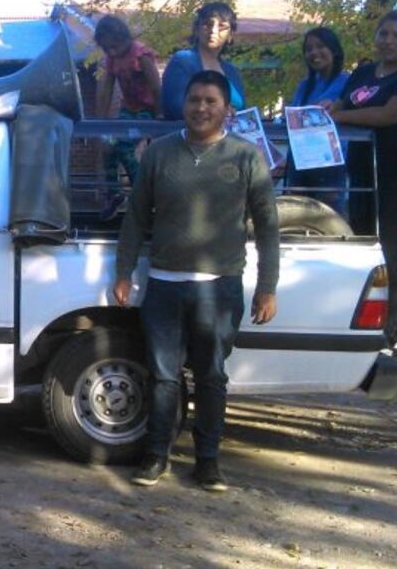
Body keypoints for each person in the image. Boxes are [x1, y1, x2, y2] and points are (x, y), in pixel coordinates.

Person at [114, 70, 279, 492]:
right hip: (164, 284)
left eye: (210, 101)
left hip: (220, 287)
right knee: (164, 376)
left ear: (227, 109)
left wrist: (267, 287)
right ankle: (156, 455)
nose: (201, 108)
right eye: (194, 100)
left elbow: (267, 226)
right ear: (183, 105)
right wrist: (124, 271)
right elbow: (135, 216)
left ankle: (208, 461)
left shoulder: (246, 157)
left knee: (211, 376)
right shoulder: (159, 154)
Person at [328, 10, 397, 347]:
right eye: (383, 33)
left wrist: (341, 115)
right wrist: (331, 106)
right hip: (361, 173)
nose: (387, 40)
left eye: (396, 35)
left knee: (387, 248)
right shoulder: (362, 72)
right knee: (359, 247)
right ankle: (355, 320)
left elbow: (392, 114)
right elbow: (342, 102)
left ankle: (388, 329)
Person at [93, 15, 161, 220]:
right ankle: (114, 193)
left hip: (147, 110)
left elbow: (156, 85)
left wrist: (160, 117)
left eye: (114, 46)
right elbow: (106, 89)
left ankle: (143, 194)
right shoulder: (112, 60)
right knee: (109, 145)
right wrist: (100, 123)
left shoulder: (140, 55)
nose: (111, 52)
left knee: (124, 146)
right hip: (128, 110)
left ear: (124, 38)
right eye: (106, 49)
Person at [285, 27, 351, 214]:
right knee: (297, 215)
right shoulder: (304, 85)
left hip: (330, 162)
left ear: (334, 49)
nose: (314, 52)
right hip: (300, 160)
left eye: (320, 46)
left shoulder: (347, 81)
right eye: (309, 49)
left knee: (329, 219)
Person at [161, 2, 246, 120]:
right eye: (207, 24)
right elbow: (177, 107)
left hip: (229, 136)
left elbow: (243, 110)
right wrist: (220, 112)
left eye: (222, 26)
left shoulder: (231, 71)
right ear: (196, 29)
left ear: (230, 35)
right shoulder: (183, 61)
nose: (213, 31)